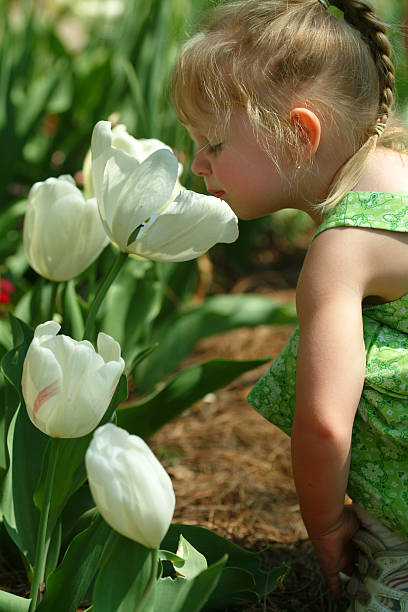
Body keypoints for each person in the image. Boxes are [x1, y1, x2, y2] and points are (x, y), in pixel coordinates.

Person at [173, 0, 408, 609]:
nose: (197, 164)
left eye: (214, 143)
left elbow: (324, 424)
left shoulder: (342, 251)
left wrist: (327, 529)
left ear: (301, 136)